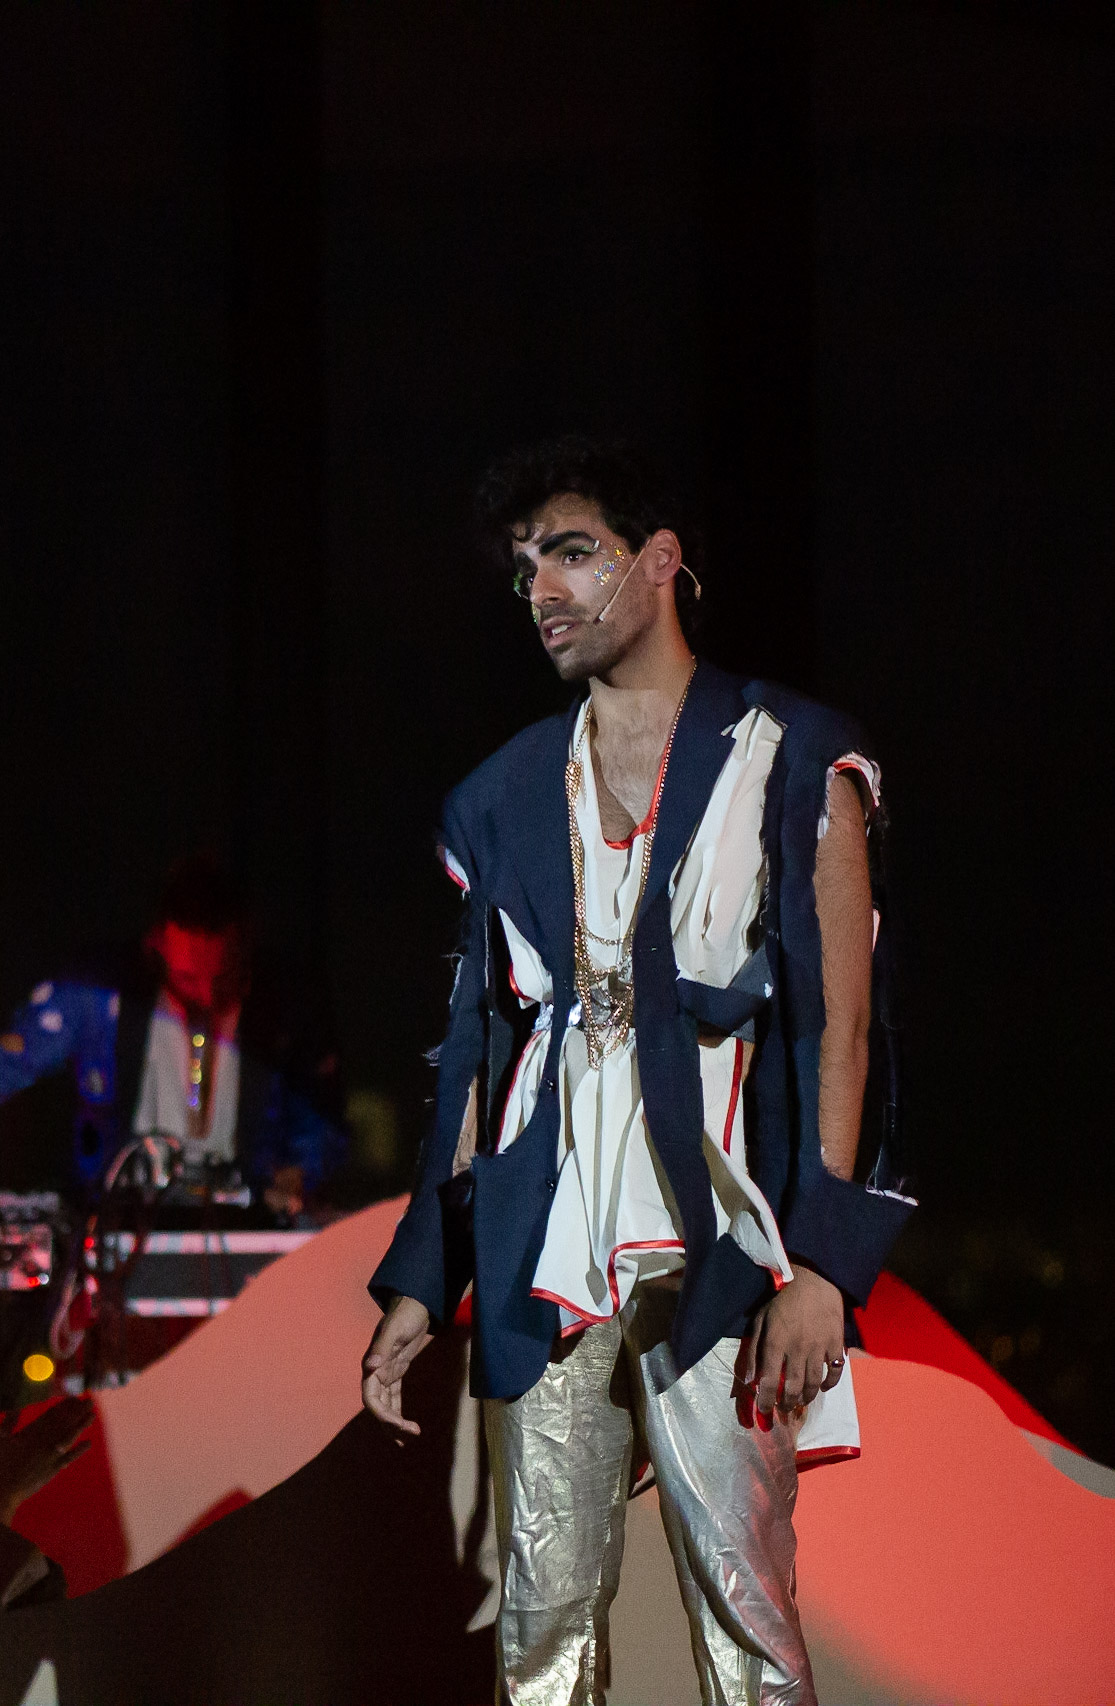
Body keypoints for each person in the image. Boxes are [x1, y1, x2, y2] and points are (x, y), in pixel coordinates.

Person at [361, 438, 915, 1704]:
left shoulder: (789, 752)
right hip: (544, 1242)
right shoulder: (498, 794)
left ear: (660, 560)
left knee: (744, 1608)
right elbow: (480, 1051)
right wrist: (423, 1275)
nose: (542, 590)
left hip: (723, 1242)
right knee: (541, 1618)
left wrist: (823, 1262)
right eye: (525, 569)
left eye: (571, 552)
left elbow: (843, 1024)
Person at [0, 854, 346, 1214]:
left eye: (222, 978)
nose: (206, 997)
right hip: (116, 1217)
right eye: (187, 979)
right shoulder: (98, 994)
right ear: (156, 946)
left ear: (245, 949)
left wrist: (298, 1176)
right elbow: (12, 1062)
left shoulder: (287, 1006)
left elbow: (322, 1122)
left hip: (246, 1220)